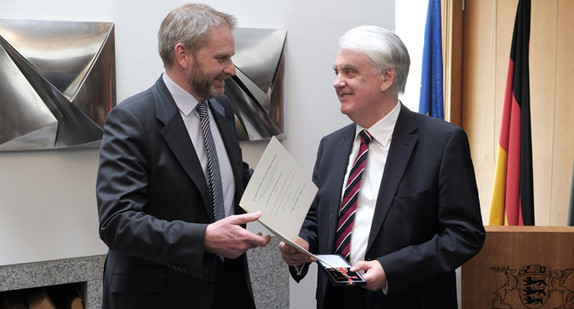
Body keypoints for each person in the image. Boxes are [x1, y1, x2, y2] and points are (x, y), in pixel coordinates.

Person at [279, 25, 486, 308]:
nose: (337, 82)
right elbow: (316, 217)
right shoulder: (331, 146)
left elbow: (464, 234)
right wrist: (303, 243)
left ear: (387, 77)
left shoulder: (441, 142)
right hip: (336, 300)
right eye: (336, 72)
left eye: (350, 72)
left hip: (405, 298)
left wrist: (391, 270)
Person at [96, 4, 270, 309]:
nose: (231, 68)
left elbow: (227, 175)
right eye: (221, 58)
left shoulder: (221, 108)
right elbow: (117, 223)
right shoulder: (132, 119)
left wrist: (288, 199)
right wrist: (203, 237)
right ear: (183, 55)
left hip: (227, 287)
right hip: (163, 295)